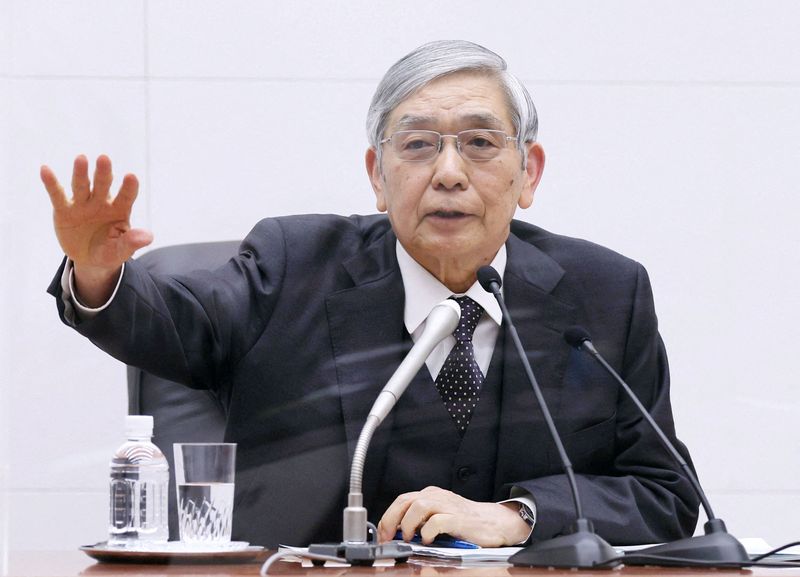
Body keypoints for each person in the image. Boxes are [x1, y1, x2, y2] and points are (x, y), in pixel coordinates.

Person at [43, 40, 699, 548]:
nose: (447, 173)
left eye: (478, 143)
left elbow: (664, 493)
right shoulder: (291, 264)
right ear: (377, 175)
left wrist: (518, 514)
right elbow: (180, 323)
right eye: (418, 145)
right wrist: (99, 276)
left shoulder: (604, 295)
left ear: (528, 172)